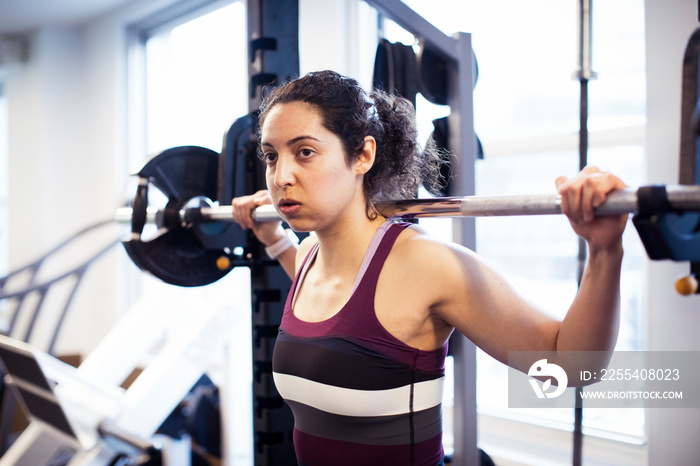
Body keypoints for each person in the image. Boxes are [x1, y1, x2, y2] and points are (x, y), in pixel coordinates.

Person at [232, 70, 627, 466]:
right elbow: (338, 318)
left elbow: (571, 365)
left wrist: (604, 250)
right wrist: (272, 238)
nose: (281, 177)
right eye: (271, 155)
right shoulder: (307, 259)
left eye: (304, 152)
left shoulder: (427, 265)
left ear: (363, 155)